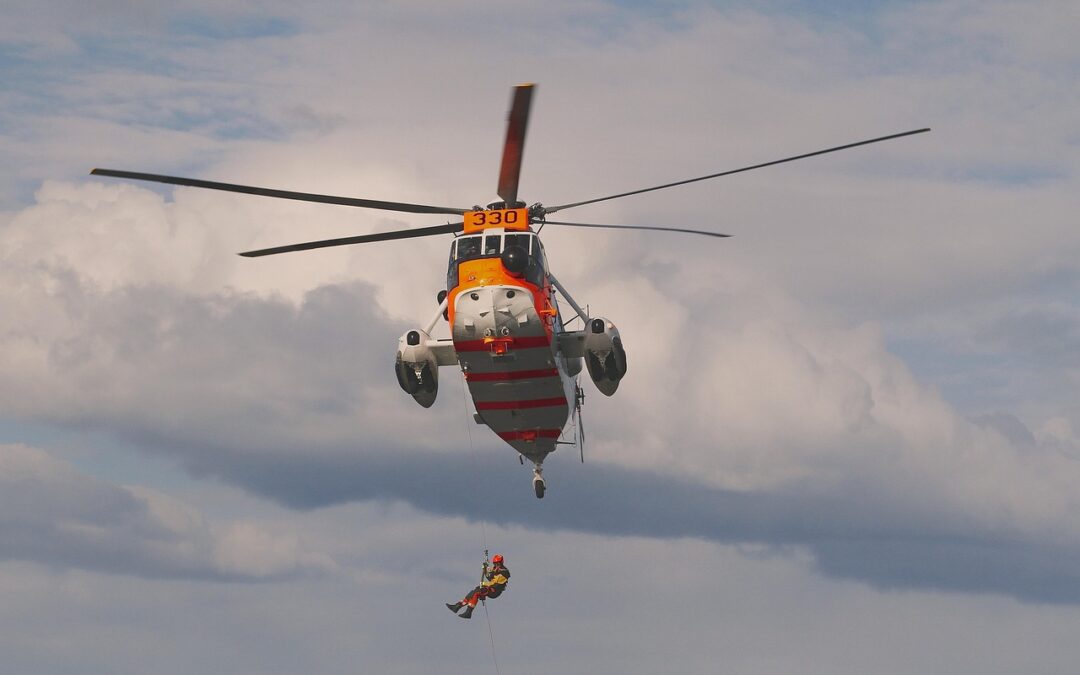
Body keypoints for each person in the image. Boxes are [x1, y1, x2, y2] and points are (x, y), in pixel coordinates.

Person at [446, 554, 510, 619]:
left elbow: (493, 582)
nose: (496, 565)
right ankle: (457, 606)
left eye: (497, 564)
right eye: (495, 564)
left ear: (501, 563)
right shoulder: (495, 569)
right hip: (490, 588)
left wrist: (484, 583)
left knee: (478, 592)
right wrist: (485, 569)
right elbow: (489, 576)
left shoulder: (505, 572)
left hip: (495, 591)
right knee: (474, 592)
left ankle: (468, 612)